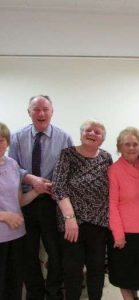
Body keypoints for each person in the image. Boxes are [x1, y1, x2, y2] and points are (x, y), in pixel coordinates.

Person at [8, 95, 73, 300]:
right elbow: (13, 168)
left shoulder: (64, 138)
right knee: (29, 253)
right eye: (36, 109)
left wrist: (52, 186)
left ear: (52, 112)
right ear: (29, 112)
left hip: (52, 204)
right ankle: (35, 293)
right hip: (25, 201)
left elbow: (70, 169)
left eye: (45, 109)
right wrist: (32, 180)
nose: (41, 113)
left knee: (56, 253)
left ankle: (53, 293)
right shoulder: (17, 137)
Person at [52, 120, 112, 300]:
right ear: (80, 134)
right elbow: (58, 187)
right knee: (72, 271)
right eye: (88, 130)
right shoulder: (67, 154)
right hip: (71, 224)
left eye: (97, 132)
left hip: (99, 224)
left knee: (96, 270)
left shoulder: (106, 157)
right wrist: (70, 218)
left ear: (102, 140)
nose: (92, 134)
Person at [108, 127, 139, 300]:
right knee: (124, 277)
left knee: (136, 276)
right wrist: (118, 235)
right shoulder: (114, 170)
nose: (132, 147)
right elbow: (112, 205)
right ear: (119, 147)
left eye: (135, 144)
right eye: (127, 144)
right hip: (124, 233)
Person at [0, 122, 41, 300]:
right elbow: (9, 211)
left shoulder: (12, 165)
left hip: (17, 235)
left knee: (14, 285)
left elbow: (19, 201)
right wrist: (4, 215)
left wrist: (37, 191)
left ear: (7, 142)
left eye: (1, 140)